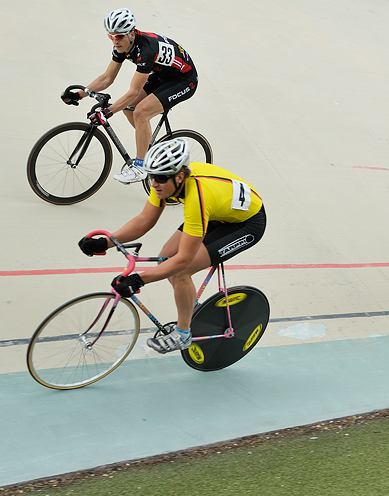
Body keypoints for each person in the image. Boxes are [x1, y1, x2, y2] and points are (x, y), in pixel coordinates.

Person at [78, 138, 266, 353]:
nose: (153, 183)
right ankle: (192, 309)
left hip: (247, 224)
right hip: (217, 211)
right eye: (150, 177)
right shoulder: (165, 182)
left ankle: (183, 335)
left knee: (180, 271)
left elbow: (184, 259)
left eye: (159, 178)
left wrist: (138, 279)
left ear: (179, 176)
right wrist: (106, 242)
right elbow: (144, 221)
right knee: (166, 258)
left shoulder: (197, 198)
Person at [61, 8, 199, 184]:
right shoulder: (122, 47)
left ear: (131, 34)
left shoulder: (146, 50)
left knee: (141, 112)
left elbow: (133, 92)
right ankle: (154, 149)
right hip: (163, 75)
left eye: (119, 36)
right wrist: (80, 94)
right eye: (110, 36)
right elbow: (107, 78)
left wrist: (108, 112)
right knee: (129, 108)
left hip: (185, 80)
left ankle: (140, 168)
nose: (114, 41)